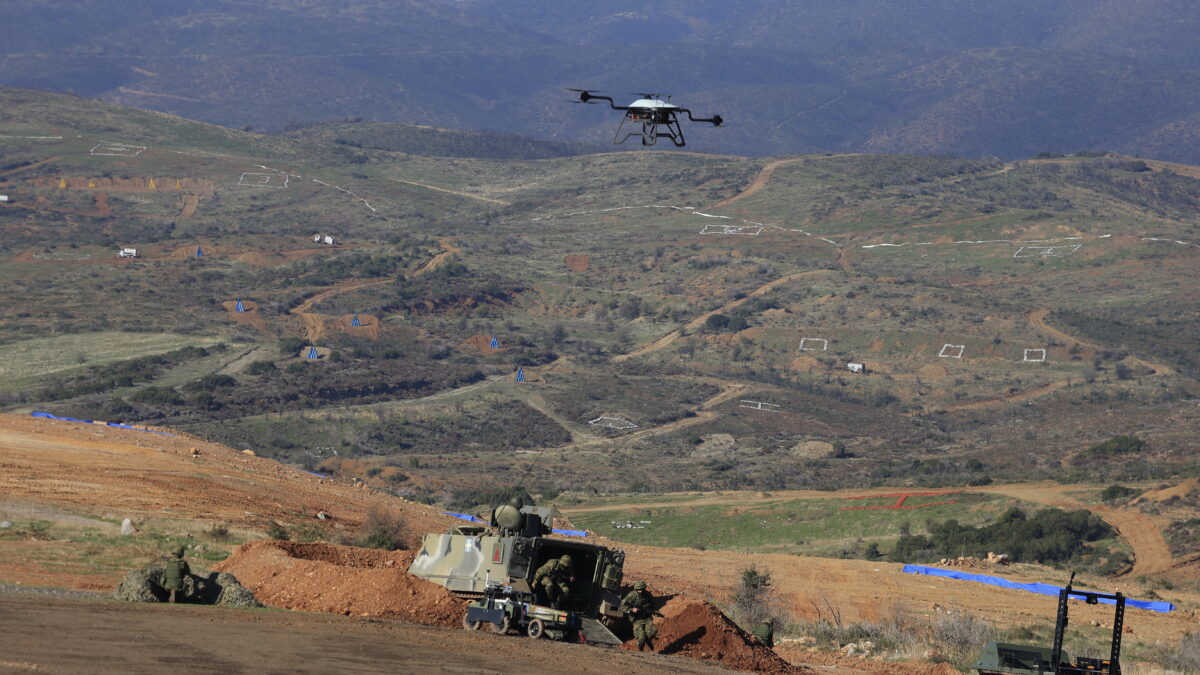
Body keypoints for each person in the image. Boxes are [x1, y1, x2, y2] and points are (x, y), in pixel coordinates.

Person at [620, 580, 658, 651]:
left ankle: (647, 640)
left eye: (642, 589)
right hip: (637, 619)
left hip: (646, 618)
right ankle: (640, 650)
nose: (640, 591)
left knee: (653, 631)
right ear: (636, 589)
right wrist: (631, 609)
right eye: (638, 590)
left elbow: (652, 604)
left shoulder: (647, 595)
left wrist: (653, 611)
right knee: (641, 637)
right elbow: (622, 605)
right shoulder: (632, 595)